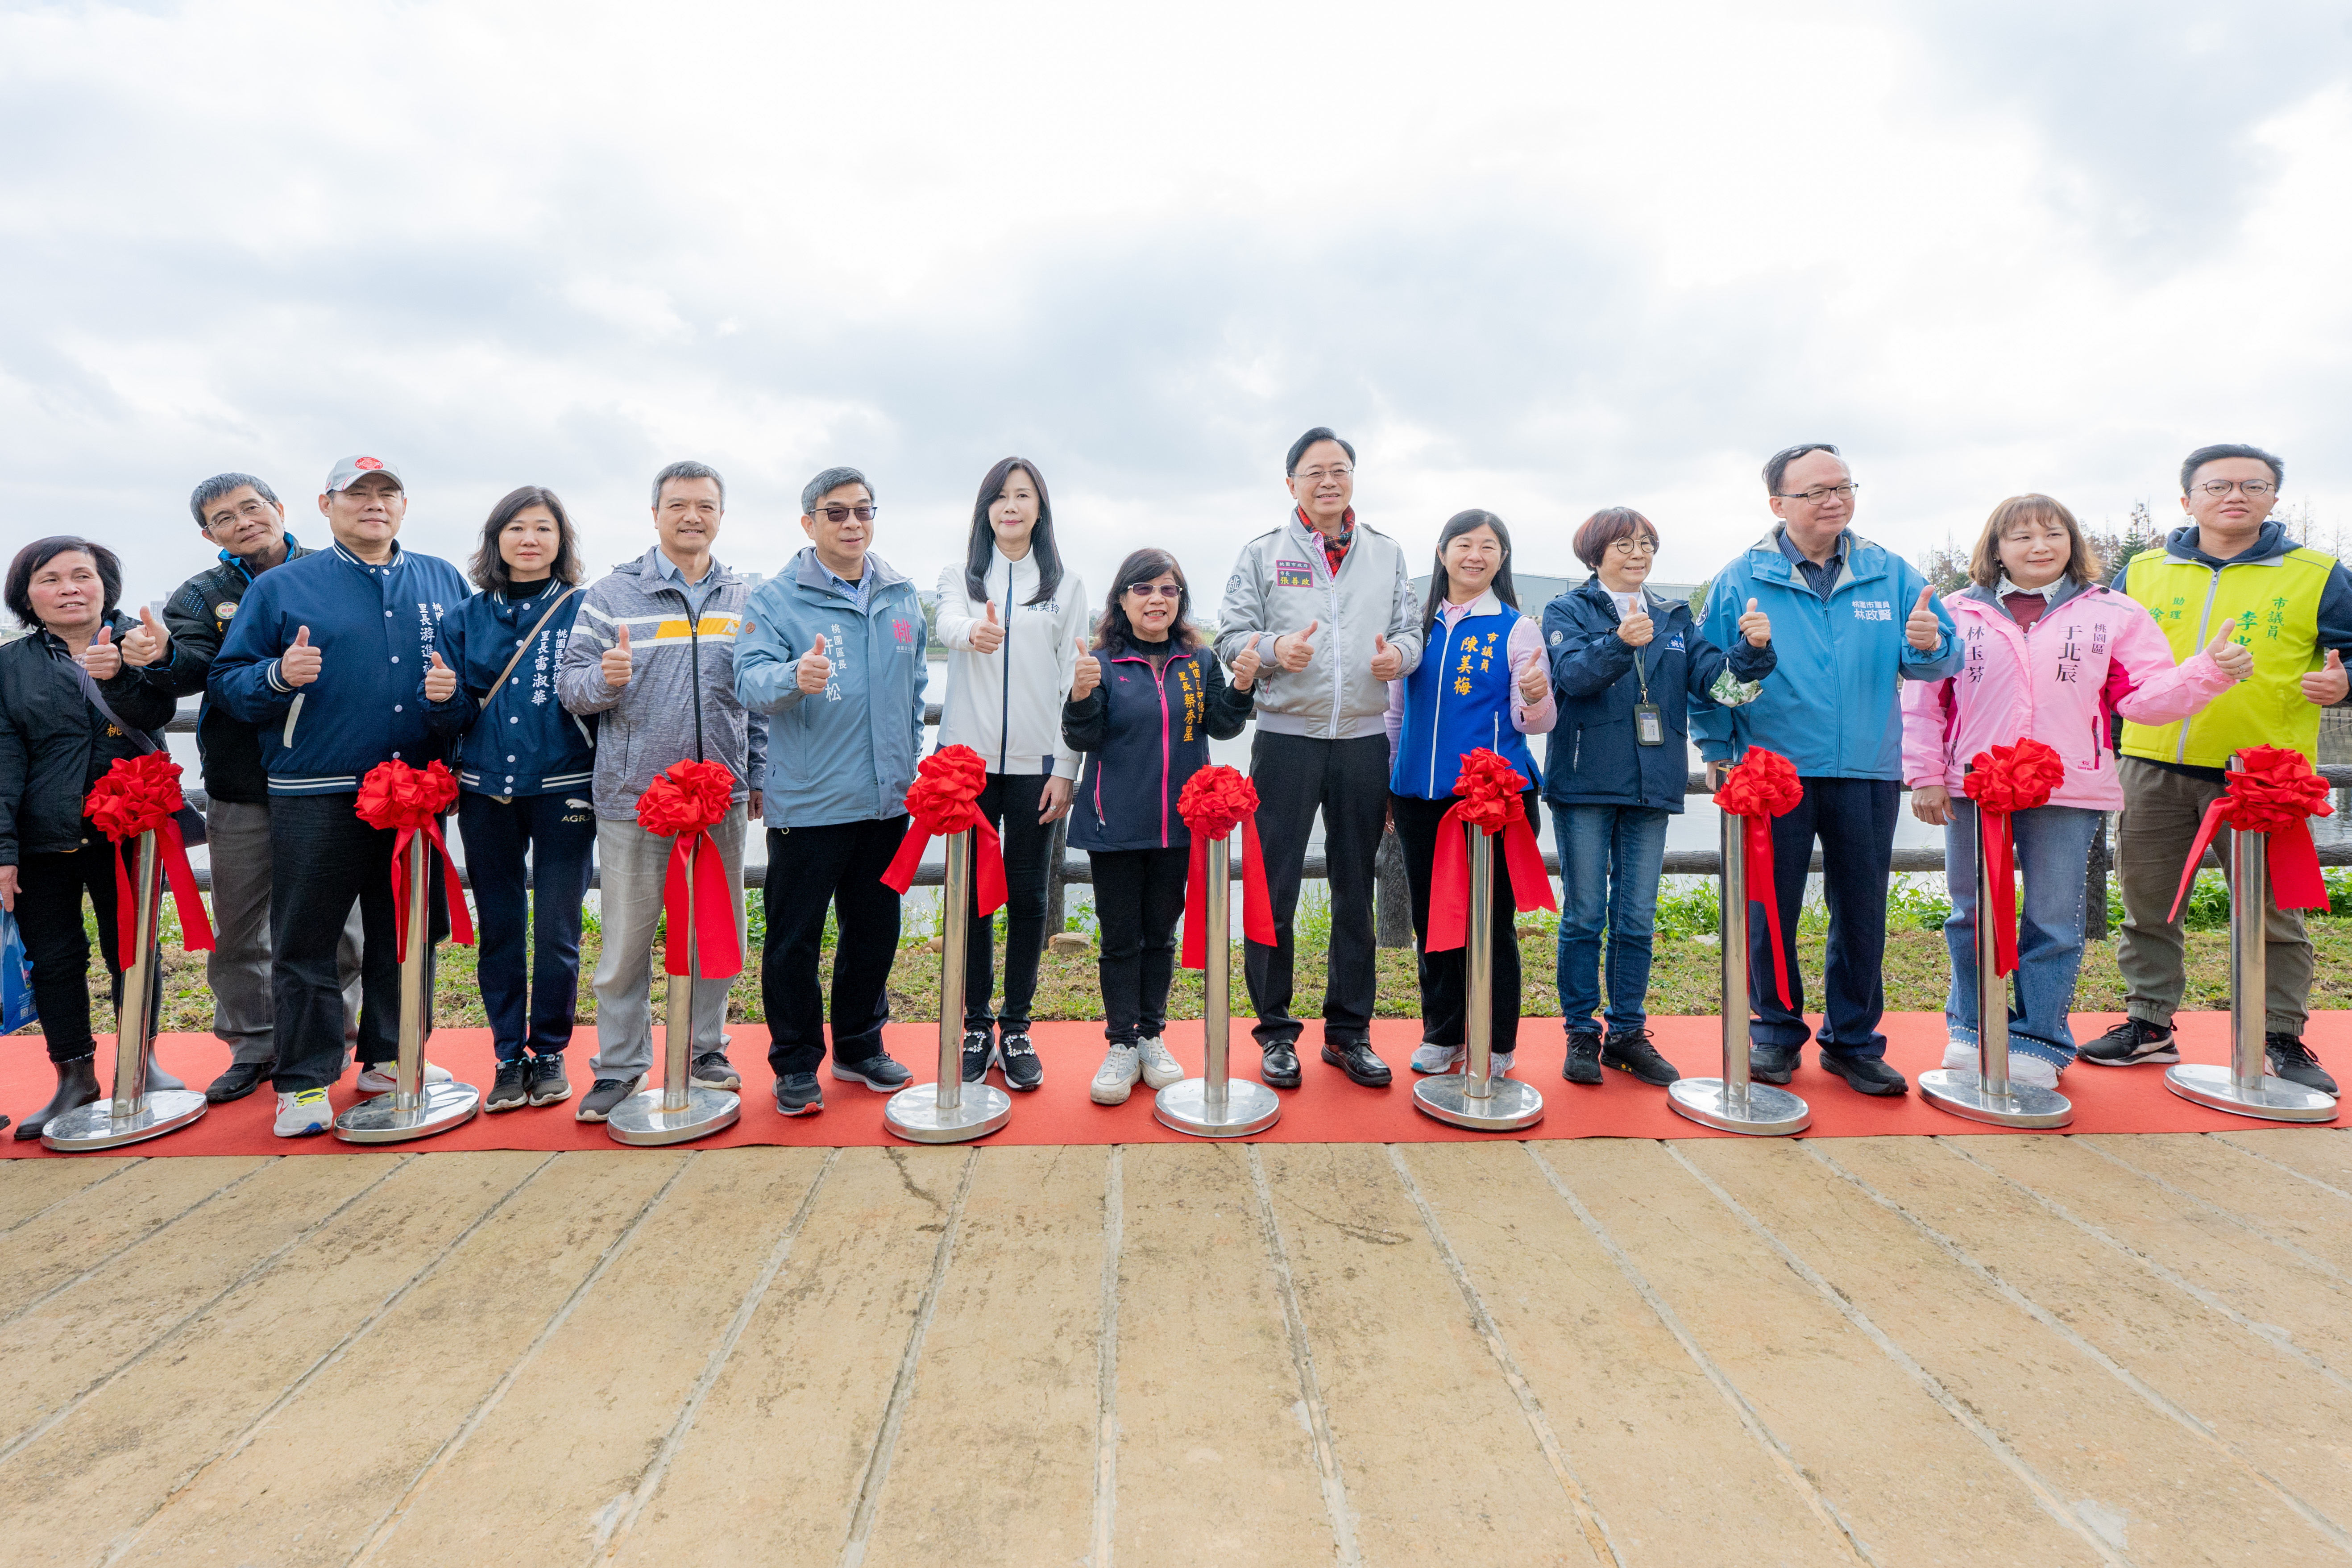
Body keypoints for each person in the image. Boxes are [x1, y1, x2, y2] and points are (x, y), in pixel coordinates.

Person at [1904, 494, 2244, 1088]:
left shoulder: (2111, 612)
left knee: (2054, 917)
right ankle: (1969, 1026)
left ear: (2071, 541)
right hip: (1973, 787)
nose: (2039, 545)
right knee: (1969, 912)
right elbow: (1924, 702)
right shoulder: (1955, 611)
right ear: (1994, 548)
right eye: (2021, 536)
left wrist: (2206, 670)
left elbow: (2142, 698)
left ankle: (2037, 1037)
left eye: (2052, 533)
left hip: (2068, 786)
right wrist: (1927, 776)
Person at [210, 456, 473, 1137]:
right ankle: (302, 1079)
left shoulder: (442, 578)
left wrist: (452, 704)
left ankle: (388, 1055)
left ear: (405, 507)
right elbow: (228, 685)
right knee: (306, 940)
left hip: (413, 791)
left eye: (387, 494)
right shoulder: (283, 587)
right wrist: (276, 675)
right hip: (316, 790)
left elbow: (468, 678)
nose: (374, 505)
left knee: (405, 933)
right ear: (325, 506)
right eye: (358, 495)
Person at [2080, 444, 2352, 1094]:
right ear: (2187, 499)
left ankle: (2278, 1032)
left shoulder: (2316, 572)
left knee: (2273, 913)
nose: (2234, 494)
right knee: (2146, 905)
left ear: (2272, 498)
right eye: (2216, 485)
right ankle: (2148, 1023)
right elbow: (2104, 661)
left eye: (2251, 484)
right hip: (2151, 763)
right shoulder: (2140, 572)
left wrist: (2344, 686)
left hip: (2264, 775)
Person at [1690, 443, 1958, 1097]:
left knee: (1862, 908)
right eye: (1815, 491)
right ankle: (1774, 1034)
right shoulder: (1739, 578)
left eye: (1842, 486)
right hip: (1770, 770)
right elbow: (1708, 677)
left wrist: (1930, 643)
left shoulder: (1888, 572)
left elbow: (1933, 661)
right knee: (1768, 909)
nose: (1833, 499)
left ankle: (1852, 1041)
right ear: (1777, 503)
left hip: (1865, 766)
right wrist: (1716, 748)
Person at [556, 460, 765, 1123]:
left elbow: (754, 699)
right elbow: (571, 686)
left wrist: (754, 772)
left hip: (720, 800)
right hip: (633, 797)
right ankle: (619, 1067)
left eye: (705, 505)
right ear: (655, 514)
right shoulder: (612, 594)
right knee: (625, 943)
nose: (692, 516)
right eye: (678, 505)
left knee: (714, 931)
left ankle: (706, 1049)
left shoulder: (744, 597)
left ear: (720, 516)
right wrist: (606, 680)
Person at [1215, 426, 1423, 1090]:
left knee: (1353, 890)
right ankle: (1275, 1032)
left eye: (1339, 469)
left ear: (1352, 479)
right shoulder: (1262, 553)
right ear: (1291, 484)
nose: (1328, 480)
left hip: (1363, 739)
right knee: (1271, 888)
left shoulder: (1386, 554)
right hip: (1285, 737)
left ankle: (1347, 1033)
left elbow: (1410, 630)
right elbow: (1229, 635)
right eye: (1314, 471)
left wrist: (1400, 657)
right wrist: (1276, 648)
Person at [1544, 507, 1776, 1087]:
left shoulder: (1674, 617)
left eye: (1645, 543)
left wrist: (1750, 651)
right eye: (1623, 545)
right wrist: (1618, 643)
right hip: (1584, 783)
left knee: (1635, 916)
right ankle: (1579, 1032)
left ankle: (1625, 1033)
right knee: (1583, 914)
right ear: (1594, 555)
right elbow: (1571, 678)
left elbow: (1724, 689)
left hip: (1652, 782)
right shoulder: (1565, 611)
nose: (1637, 554)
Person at [150, 473, 362, 1106]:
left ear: (278, 509)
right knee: (242, 926)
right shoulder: (200, 595)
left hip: (328, 774)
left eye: (252, 507)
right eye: (224, 517)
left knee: (342, 926)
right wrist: (159, 655)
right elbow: (193, 672)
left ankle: (338, 1038)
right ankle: (253, 1044)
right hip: (244, 783)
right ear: (209, 533)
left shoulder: (335, 570)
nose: (243, 521)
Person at [736, 465, 927, 1117]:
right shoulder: (774, 598)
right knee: (794, 940)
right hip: (810, 805)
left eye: (863, 511)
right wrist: (796, 673)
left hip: (886, 802)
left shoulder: (900, 593)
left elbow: (914, 691)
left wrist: (909, 765)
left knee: (873, 931)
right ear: (808, 522)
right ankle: (793, 1061)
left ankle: (859, 1044)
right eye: (837, 512)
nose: (852, 524)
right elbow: (749, 682)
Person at [0, 538, 185, 1139]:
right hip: (41, 837)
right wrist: (3, 850)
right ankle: (73, 1076)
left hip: (131, 828)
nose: (69, 588)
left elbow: (158, 710)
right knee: (54, 960)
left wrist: (136, 669)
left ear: (106, 583)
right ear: (26, 595)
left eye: (83, 575)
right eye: (50, 579)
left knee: (131, 949)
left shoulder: (143, 643)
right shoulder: (10, 665)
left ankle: (141, 1059)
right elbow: (3, 759)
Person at [1064, 550, 1257, 1103]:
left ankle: (1151, 1036)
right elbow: (1082, 737)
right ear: (1122, 599)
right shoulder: (1100, 661)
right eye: (1144, 589)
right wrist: (1080, 695)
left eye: (1169, 590)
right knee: (1121, 937)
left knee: (1161, 934)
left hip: (1180, 825)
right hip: (1115, 824)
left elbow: (1220, 727)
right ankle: (1121, 1043)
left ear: (1180, 601)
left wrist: (1241, 687)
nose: (1156, 599)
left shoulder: (1198, 662)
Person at [426, 486, 596, 1112]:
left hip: (564, 788)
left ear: (561, 541)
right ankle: (506, 1054)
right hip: (484, 791)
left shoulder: (586, 608)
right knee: (500, 927)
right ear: (496, 539)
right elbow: (454, 720)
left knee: (557, 927)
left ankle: (549, 1050)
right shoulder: (464, 617)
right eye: (517, 528)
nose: (530, 539)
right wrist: (442, 699)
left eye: (544, 528)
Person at [931, 457, 1089, 1090]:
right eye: (999, 497)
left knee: (1027, 897)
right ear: (984, 511)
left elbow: (1070, 679)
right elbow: (943, 624)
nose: (1010, 507)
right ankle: (974, 1023)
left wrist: (1065, 767)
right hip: (965, 771)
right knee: (970, 896)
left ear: (1039, 508)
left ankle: (1017, 1025)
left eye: (1022, 496)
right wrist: (972, 631)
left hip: (1036, 767)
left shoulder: (1065, 584)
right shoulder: (960, 577)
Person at [1386, 511, 1556, 1080]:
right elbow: (1394, 714)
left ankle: (1497, 1039)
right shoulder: (1415, 629)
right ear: (1441, 552)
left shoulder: (1516, 629)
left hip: (1492, 803)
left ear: (1502, 559)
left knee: (1491, 920)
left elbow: (1532, 722)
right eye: (1464, 544)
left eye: (1490, 546)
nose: (1475, 555)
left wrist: (1534, 694)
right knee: (1432, 919)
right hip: (1419, 798)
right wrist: (1391, 782)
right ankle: (1442, 1033)